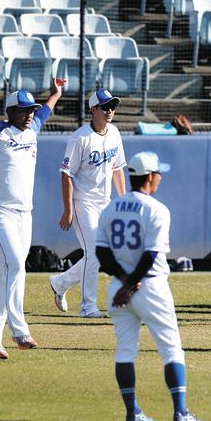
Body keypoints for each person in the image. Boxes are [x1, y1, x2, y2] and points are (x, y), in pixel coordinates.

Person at [95, 151, 203, 421]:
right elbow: (151, 255)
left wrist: (122, 282)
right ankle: (180, 413)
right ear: (151, 177)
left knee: (125, 351)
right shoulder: (156, 209)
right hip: (149, 286)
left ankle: (132, 414)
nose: (160, 179)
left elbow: (102, 254)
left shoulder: (111, 207)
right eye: (159, 174)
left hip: (118, 286)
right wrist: (131, 284)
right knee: (171, 350)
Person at [0, 81, 64, 360]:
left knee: (3, 274)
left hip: (24, 213)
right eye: (23, 110)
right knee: (15, 264)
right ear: (11, 111)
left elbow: (45, 111)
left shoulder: (32, 129)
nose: (29, 114)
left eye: (30, 109)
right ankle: (19, 331)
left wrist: (55, 94)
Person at [51, 88, 127, 319]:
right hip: (84, 203)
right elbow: (66, 174)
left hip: (105, 202)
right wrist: (68, 209)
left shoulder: (114, 132)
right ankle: (88, 307)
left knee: (103, 253)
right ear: (93, 109)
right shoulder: (79, 138)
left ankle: (60, 283)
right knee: (95, 253)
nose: (110, 110)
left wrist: (123, 201)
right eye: (105, 106)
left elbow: (118, 168)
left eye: (112, 106)